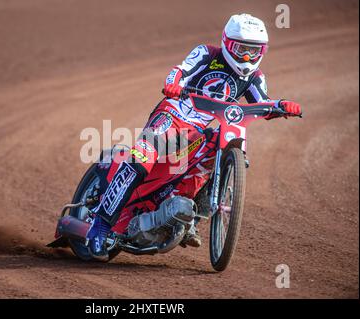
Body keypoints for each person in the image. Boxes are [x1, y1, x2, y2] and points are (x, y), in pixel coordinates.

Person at [86, 13, 302, 260]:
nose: (246, 57)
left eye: (253, 51)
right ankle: (100, 225)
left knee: (213, 153)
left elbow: (262, 102)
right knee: (142, 157)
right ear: (228, 43)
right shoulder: (207, 54)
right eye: (241, 49)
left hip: (196, 131)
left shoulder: (255, 77)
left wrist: (281, 106)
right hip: (173, 115)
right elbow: (179, 71)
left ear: (262, 51)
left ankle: (191, 218)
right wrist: (173, 85)